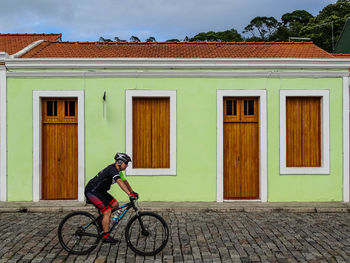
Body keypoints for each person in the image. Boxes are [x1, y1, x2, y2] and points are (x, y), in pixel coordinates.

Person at [85, 152, 139, 244]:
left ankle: (100, 221)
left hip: (100, 192)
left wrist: (132, 192)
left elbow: (124, 182)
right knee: (107, 211)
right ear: (119, 162)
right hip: (92, 191)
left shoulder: (118, 171)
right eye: (126, 163)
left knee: (115, 205)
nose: (127, 166)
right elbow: (120, 183)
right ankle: (106, 236)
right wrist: (129, 194)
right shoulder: (112, 170)